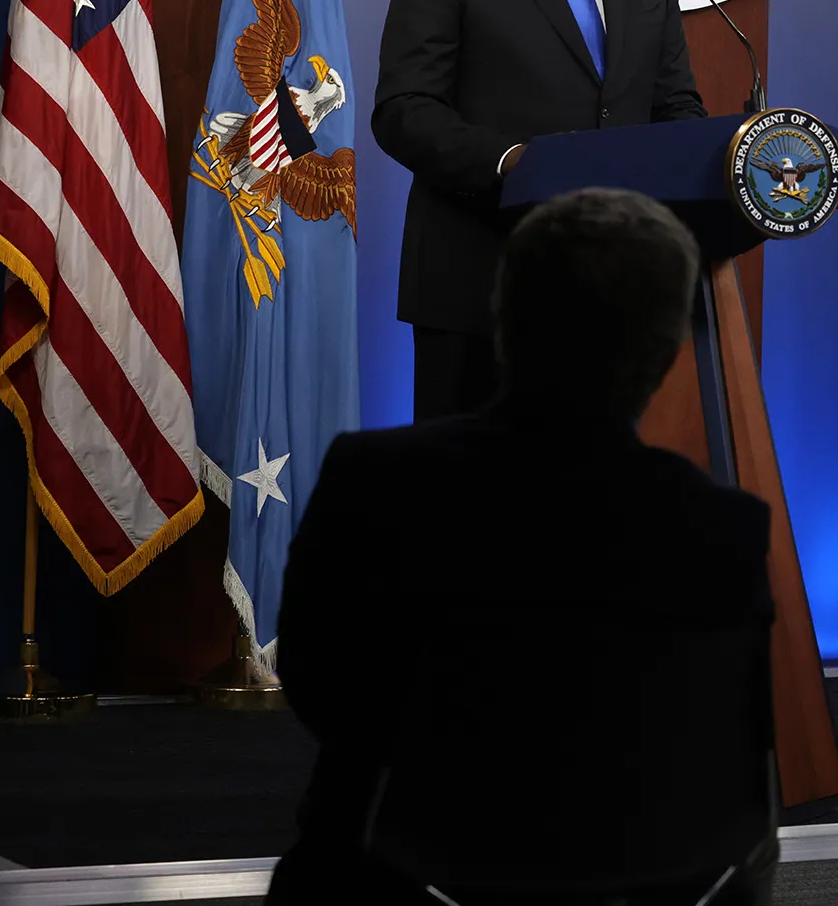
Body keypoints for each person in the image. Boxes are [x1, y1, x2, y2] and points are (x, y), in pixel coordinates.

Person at [268, 189, 774, 905]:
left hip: (396, 873)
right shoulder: (725, 524)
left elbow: (320, 684)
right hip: (654, 884)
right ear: (668, 350)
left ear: (503, 318)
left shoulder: (376, 478)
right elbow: (731, 750)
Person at [375, 0, 706, 421]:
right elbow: (405, 109)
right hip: (476, 283)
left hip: (608, 294)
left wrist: (686, 168)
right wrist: (511, 162)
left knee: (581, 507)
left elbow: (676, 105)